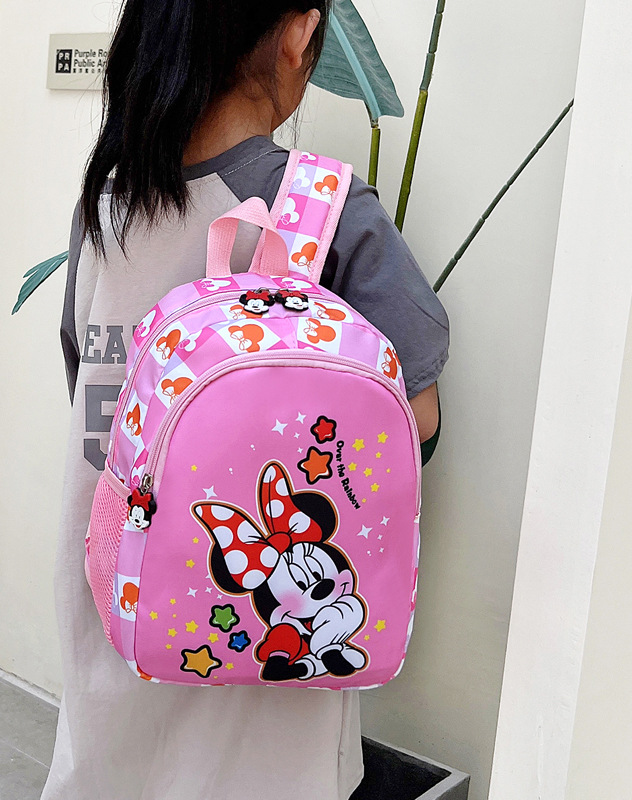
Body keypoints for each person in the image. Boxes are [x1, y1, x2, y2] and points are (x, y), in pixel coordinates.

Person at [41, 1, 449, 798]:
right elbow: (417, 417)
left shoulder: (108, 203)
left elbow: (90, 395)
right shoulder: (324, 211)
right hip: (270, 668)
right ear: (299, 33)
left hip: (115, 617)